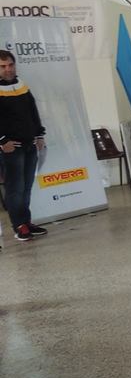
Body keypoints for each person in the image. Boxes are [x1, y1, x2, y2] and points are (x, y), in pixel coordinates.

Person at [0, 49, 48, 243]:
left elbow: (32, 111)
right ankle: (19, 226)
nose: (8, 69)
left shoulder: (21, 85)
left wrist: (39, 134)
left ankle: (26, 222)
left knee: (27, 187)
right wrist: (2, 141)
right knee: (15, 189)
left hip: (30, 144)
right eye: (3, 66)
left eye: (10, 65)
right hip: (11, 149)